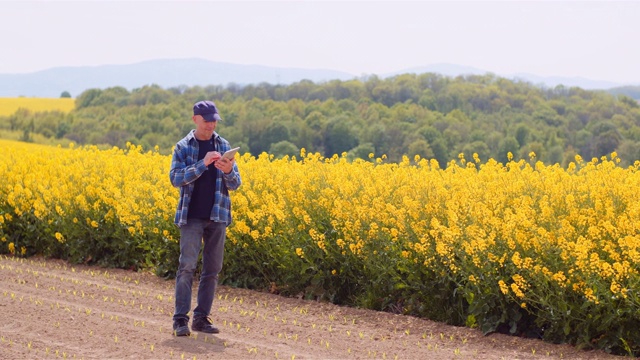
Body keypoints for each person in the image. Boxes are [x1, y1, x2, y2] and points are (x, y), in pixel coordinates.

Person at [169, 100, 242, 336]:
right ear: (195, 120)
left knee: (212, 270)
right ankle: (180, 320)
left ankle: (201, 319)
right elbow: (176, 179)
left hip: (217, 215)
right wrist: (203, 164)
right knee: (187, 267)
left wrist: (228, 170)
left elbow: (236, 184)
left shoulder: (224, 145)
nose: (211, 124)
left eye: (214, 120)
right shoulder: (183, 147)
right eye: (207, 120)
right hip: (191, 217)